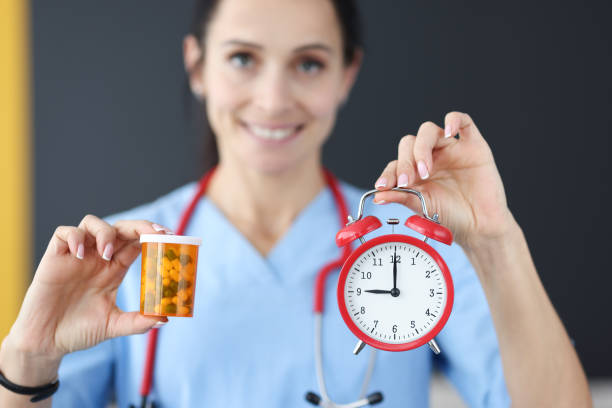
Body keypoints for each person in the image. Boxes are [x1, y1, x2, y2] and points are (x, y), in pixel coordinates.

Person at [0, 0, 592, 406]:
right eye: (242, 58)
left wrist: (495, 239)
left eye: (309, 63)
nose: (274, 98)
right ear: (196, 65)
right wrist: (28, 359)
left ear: (346, 75)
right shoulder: (127, 259)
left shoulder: (412, 246)